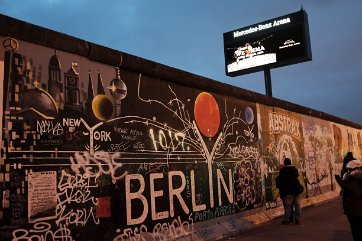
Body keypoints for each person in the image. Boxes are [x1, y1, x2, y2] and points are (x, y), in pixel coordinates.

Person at [335, 159, 362, 241]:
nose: (348, 171)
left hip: (355, 210)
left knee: (356, 229)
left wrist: (340, 181)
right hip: (355, 209)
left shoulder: (355, 179)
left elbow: (351, 189)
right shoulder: (355, 178)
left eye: (349, 170)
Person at [276, 158, 304, 225]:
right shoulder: (295, 170)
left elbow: (280, 180)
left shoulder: (283, 171)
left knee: (287, 206)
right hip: (297, 190)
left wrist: (281, 169)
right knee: (297, 206)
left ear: (285, 163)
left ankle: (287, 220)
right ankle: (298, 220)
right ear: (290, 163)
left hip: (288, 192)